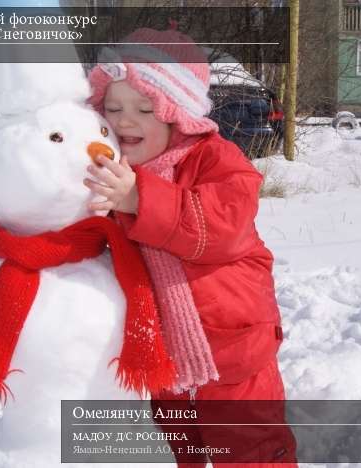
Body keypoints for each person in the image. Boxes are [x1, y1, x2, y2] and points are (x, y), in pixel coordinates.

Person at [84, 26, 298, 467]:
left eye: (145, 108)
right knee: (180, 450)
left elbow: (221, 227)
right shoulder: (112, 170)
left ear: (176, 115)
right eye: (114, 106)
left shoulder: (215, 159)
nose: (125, 120)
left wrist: (139, 199)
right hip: (165, 354)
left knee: (250, 450)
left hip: (234, 349)